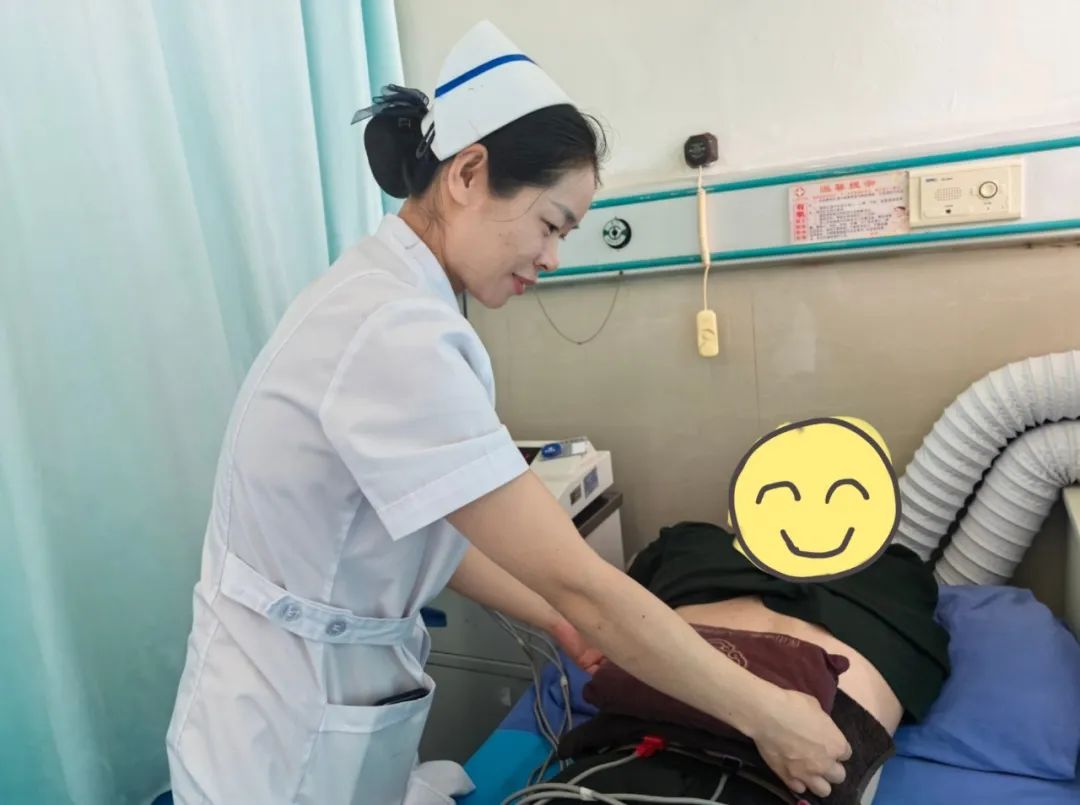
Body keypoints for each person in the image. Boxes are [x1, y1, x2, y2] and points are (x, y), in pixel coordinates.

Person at [164, 20, 850, 805]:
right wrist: (770, 715)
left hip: (322, 702)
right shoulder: (391, 330)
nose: (552, 257)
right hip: (278, 736)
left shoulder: (393, 298)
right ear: (468, 173)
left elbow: (433, 530)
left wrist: (559, 619)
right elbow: (583, 583)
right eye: (551, 224)